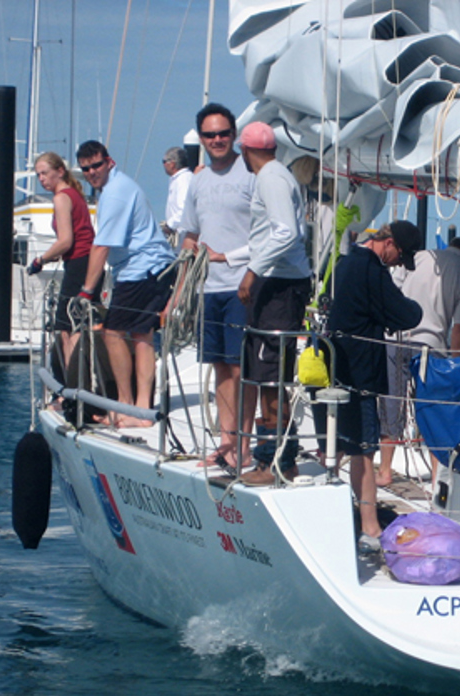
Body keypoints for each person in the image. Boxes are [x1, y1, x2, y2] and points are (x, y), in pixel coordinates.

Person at [326, 221, 423, 546]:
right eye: (400, 256)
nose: (398, 263)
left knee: (342, 444)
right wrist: (409, 307)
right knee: (364, 450)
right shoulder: (371, 269)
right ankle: (370, 526)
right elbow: (407, 315)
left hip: (339, 366)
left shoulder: (346, 262)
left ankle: (340, 511)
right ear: (390, 243)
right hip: (362, 370)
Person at [178, 104, 256, 472]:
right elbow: (190, 235)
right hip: (209, 287)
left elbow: (268, 232)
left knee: (243, 368)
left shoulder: (251, 174)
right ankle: (227, 441)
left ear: (234, 134)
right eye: (210, 135)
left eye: (224, 133)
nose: (218, 140)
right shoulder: (198, 180)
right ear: (202, 139)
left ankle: (243, 442)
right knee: (221, 367)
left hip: (243, 284)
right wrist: (178, 293)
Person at [77, 140, 177, 428]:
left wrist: (86, 291)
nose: (92, 172)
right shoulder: (119, 186)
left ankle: (125, 406)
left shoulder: (115, 194)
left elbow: (101, 246)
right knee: (142, 336)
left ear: (109, 162)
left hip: (141, 269)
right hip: (152, 268)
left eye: (96, 165)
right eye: (86, 169)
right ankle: (141, 410)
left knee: (112, 333)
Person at [235, 121, 313, 485]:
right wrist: (229, 257)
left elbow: (286, 231)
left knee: (270, 377)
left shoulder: (270, 178)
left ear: (244, 151)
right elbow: (270, 235)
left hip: (280, 287)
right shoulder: (278, 174)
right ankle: (281, 458)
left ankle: (274, 462)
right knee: (268, 376)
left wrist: (252, 273)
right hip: (279, 280)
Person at [376, 235, 460, 486]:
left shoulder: (419, 257)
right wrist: (455, 368)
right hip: (431, 346)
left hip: (395, 339)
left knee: (392, 405)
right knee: (435, 414)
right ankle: (437, 478)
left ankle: (384, 471)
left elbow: (393, 291)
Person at [26, 151, 99, 368]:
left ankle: (72, 381)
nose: (41, 179)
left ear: (60, 171)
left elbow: (66, 241)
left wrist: (41, 260)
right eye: (38, 175)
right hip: (88, 262)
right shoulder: (74, 195)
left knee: (65, 325)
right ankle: (79, 377)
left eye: (45, 173)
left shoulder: (61, 198)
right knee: (78, 321)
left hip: (79, 262)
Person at [161, 146, 192, 248]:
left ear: (172, 163)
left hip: (183, 237)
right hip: (178, 237)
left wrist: (169, 225)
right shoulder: (179, 179)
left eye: (164, 161)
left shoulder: (183, 180)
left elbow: (184, 209)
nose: (163, 165)